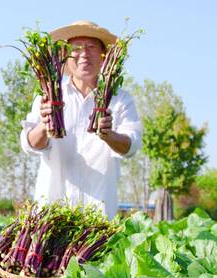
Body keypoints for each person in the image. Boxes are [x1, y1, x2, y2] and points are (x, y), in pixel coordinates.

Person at [20, 20, 143, 219]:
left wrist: (109, 135)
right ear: (65, 57)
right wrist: (44, 125)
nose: (84, 54)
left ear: (104, 56)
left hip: (99, 213)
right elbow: (30, 145)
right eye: (76, 48)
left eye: (91, 47)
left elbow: (132, 146)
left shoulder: (120, 99)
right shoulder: (48, 96)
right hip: (51, 209)